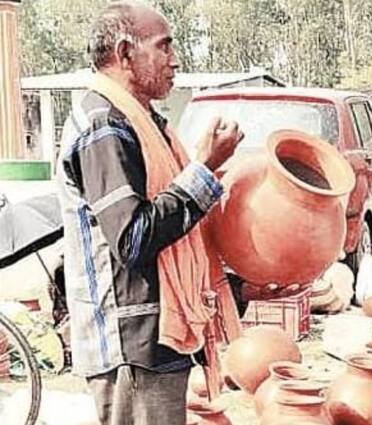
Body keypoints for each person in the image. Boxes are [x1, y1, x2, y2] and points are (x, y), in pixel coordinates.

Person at [56, 2, 244, 424]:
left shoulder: (140, 119)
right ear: (125, 54)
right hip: (131, 343)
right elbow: (132, 238)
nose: (174, 60)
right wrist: (202, 172)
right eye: (164, 47)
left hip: (154, 336)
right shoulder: (104, 125)